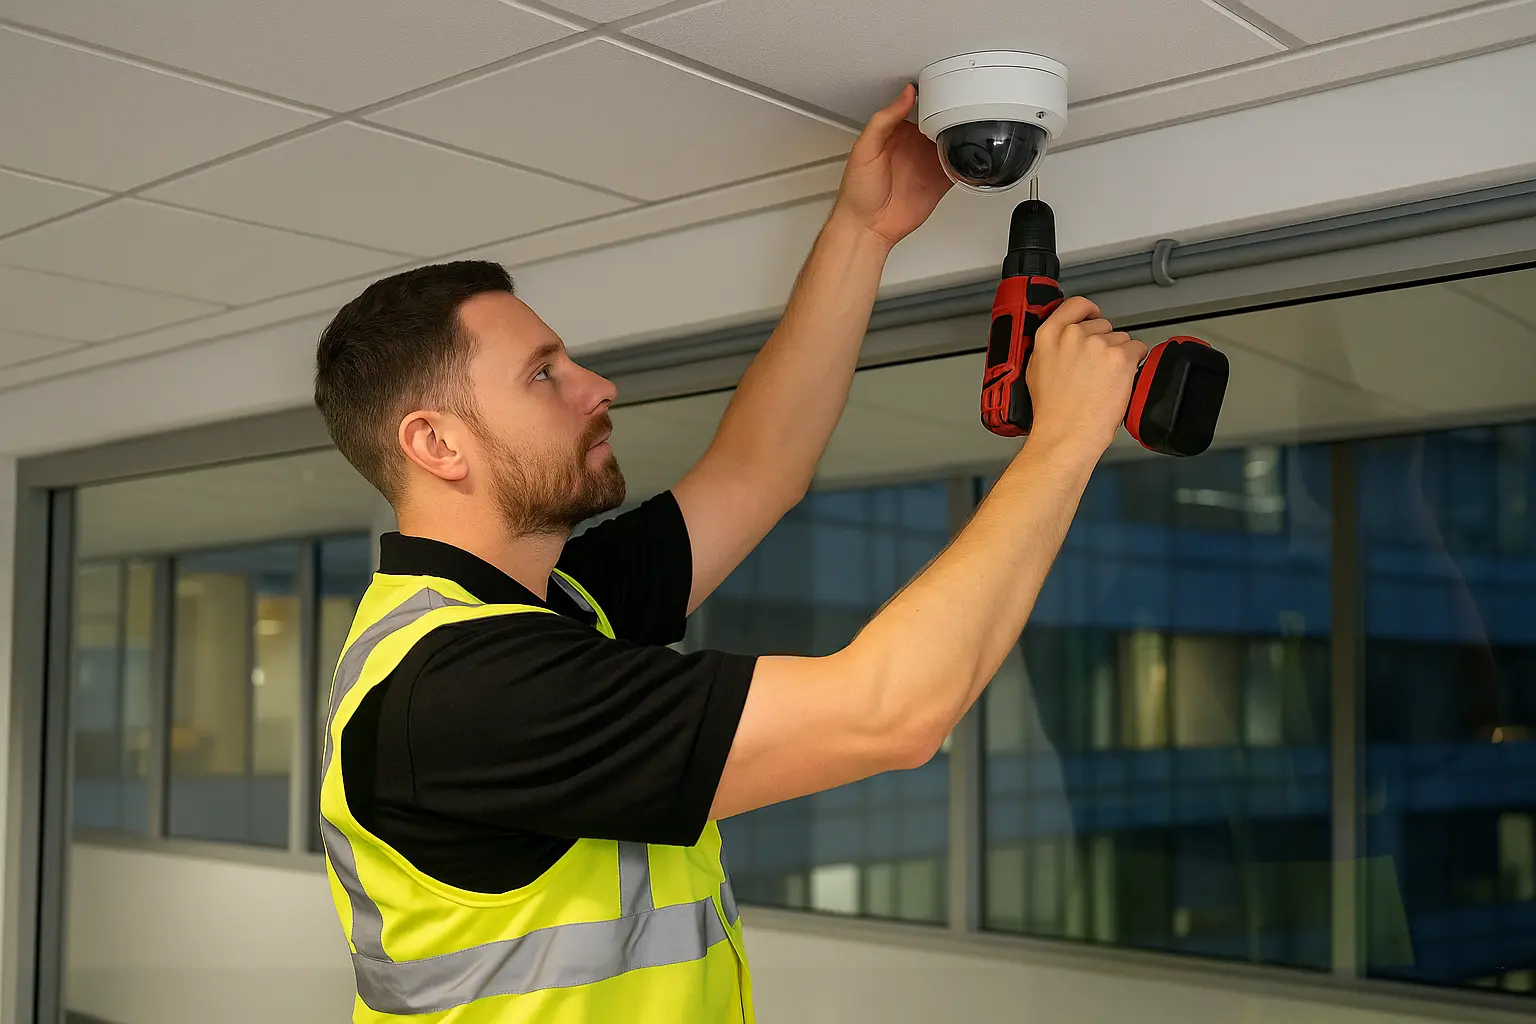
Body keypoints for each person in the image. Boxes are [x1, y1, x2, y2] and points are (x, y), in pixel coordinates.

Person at [311, 84, 1148, 1024]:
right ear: (436, 445)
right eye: (544, 373)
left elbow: (757, 472)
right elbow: (891, 714)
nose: (596, 385)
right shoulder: (461, 693)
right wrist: (1066, 439)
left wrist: (863, 231)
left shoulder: (553, 614)